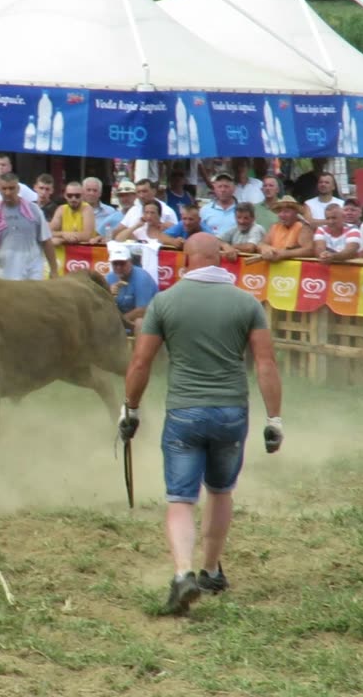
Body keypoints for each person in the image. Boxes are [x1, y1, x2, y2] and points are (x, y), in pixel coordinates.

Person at [119, 232, 283, 616]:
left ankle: (182, 574)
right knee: (221, 491)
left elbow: (141, 362)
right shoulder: (246, 302)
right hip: (231, 413)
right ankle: (211, 570)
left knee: (180, 499)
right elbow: (265, 364)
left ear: (186, 259)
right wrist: (274, 418)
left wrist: (131, 408)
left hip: (184, 412)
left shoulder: (165, 302)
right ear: (220, 259)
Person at [0, 172, 58, 281]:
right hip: (6, 272)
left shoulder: (34, 210)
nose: (8, 192)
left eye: (11, 188)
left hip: (32, 271)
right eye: (4, 189)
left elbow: (46, 241)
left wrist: (54, 270)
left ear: (18, 189)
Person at [105, 242, 157, 334]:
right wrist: (108, 294)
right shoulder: (109, 277)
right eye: (115, 264)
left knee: (140, 322)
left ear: (130, 262)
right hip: (123, 319)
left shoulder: (142, 278)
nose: (118, 267)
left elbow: (142, 310)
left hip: (146, 319)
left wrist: (119, 321)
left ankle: (139, 348)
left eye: (122, 263)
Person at [256, 197, 314, 263]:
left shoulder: (303, 227)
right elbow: (261, 244)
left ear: (296, 213)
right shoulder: (275, 227)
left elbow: (309, 250)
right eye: (280, 211)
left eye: (286, 211)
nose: (281, 215)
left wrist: (284, 254)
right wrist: (266, 249)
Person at [49, 180, 95, 245]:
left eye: (77, 196)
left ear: (82, 196)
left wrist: (62, 239)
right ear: (65, 195)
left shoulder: (87, 209)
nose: (73, 199)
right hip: (64, 253)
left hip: (84, 251)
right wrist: (63, 234)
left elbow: (87, 236)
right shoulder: (61, 209)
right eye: (70, 195)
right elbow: (49, 232)